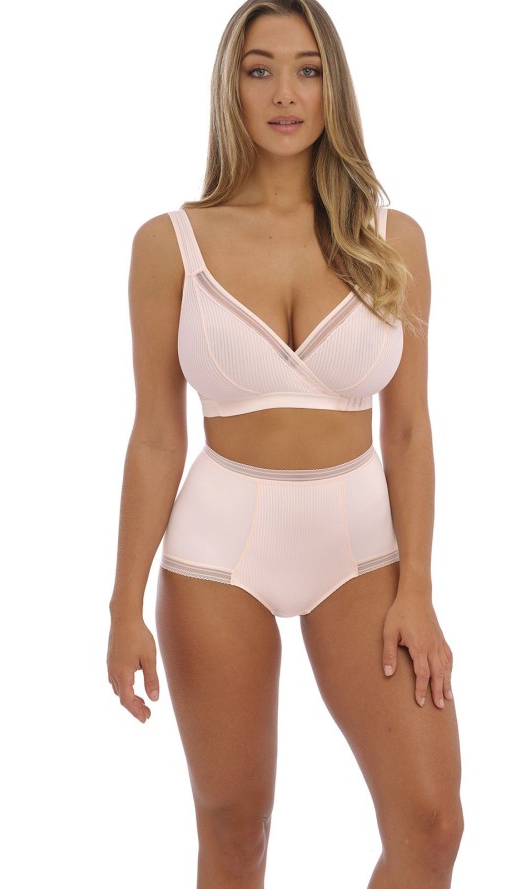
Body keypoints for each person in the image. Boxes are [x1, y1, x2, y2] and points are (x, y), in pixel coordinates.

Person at [106, 0, 463, 886]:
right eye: (259, 69)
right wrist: (123, 606)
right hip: (219, 548)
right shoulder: (170, 244)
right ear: (230, 88)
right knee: (236, 832)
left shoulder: (392, 240)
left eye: (307, 70)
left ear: (332, 88)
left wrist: (418, 586)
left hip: (360, 547)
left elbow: (408, 429)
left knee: (430, 824)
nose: (284, 94)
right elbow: (156, 436)